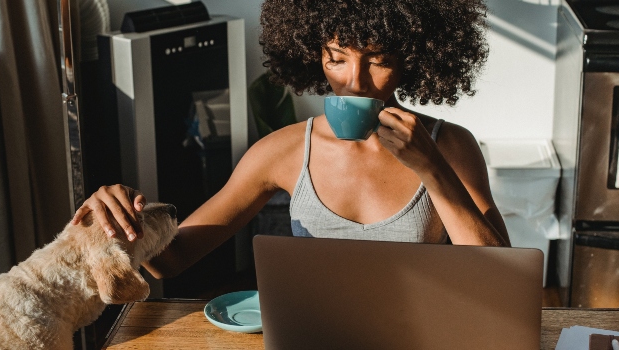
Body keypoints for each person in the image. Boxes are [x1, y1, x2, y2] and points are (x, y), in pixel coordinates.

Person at [71, 0, 511, 279]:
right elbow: (171, 259)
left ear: (413, 60)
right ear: (313, 54)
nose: (354, 83)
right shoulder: (281, 152)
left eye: (377, 61)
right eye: (336, 59)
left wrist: (431, 168)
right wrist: (123, 216)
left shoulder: (449, 146)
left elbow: (500, 275)